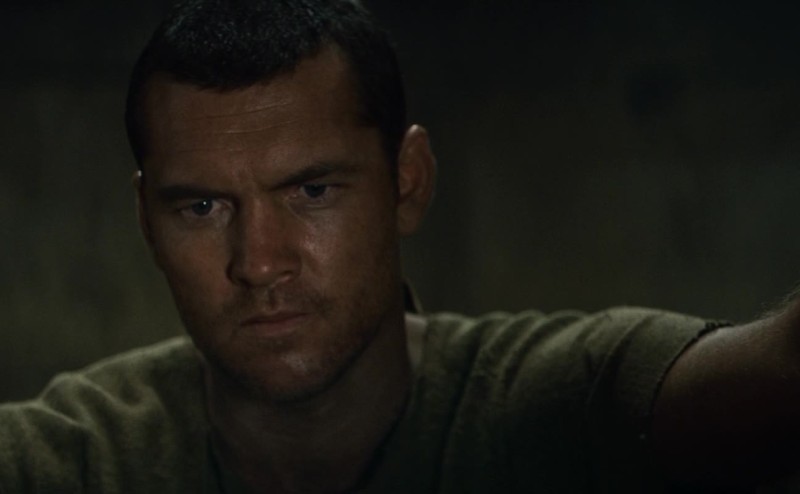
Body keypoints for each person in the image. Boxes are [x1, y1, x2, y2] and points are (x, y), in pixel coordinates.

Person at [1, 0, 799, 492]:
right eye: (202, 207)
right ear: (147, 219)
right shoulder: (73, 459)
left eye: (313, 191)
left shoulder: (555, 405)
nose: (259, 262)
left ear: (407, 182)